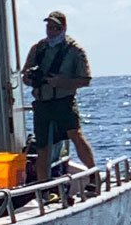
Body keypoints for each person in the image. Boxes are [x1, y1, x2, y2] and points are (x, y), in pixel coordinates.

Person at [21, 10, 95, 176]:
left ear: (63, 28)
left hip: (63, 101)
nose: (51, 31)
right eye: (49, 27)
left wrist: (61, 82)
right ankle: (43, 187)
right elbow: (25, 75)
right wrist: (30, 77)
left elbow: (86, 80)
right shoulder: (38, 48)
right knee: (42, 146)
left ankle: (93, 175)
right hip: (42, 102)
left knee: (74, 134)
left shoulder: (75, 50)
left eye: (55, 28)